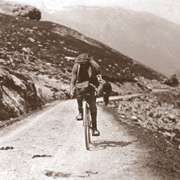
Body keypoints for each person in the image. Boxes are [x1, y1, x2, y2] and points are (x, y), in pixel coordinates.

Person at [70, 53, 101, 136]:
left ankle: (94, 128)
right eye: (80, 63)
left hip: (92, 83)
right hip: (80, 83)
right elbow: (73, 79)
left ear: (87, 62)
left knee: (93, 106)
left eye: (83, 63)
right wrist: (71, 89)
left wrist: (98, 89)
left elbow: (100, 80)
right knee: (78, 95)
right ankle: (80, 112)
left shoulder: (95, 67)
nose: (81, 65)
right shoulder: (76, 66)